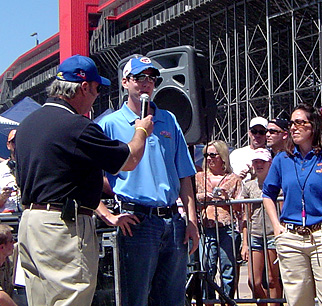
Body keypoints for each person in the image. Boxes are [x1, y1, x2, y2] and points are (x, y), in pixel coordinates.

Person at [15, 54, 153, 306]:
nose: (96, 96)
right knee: (72, 298)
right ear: (84, 87)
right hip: (63, 226)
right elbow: (130, 160)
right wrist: (141, 130)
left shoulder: (27, 125)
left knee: (41, 300)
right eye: (97, 89)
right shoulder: (76, 125)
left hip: (31, 222)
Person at [98, 56, 199, 306]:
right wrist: (109, 209)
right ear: (125, 82)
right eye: (139, 78)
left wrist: (192, 220)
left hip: (173, 221)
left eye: (151, 78)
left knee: (173, 299)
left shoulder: (168, 119)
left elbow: (184, 173)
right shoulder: (109, 124)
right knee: (136, 298)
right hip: (137, 222)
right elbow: (89, 174)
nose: (146, 84)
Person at [262, 103, 322, 306]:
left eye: (300, 122)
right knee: (298, 301)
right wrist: (277, 228)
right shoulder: (282, 159)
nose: (293, 128)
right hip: (291, 238)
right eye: (291, 123)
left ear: (313, 126)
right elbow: (267, 194)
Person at [195, 140, 242, 303]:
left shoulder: (234, 179)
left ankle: (226, 301)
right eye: (206, 155)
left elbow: (241, 207)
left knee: (228, 269)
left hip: (228, 229)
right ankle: (209, 301)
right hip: (206, 228)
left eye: (213, 155)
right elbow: (189, 199)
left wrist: (227, 199)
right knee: (207, 268)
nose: (209, 158)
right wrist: (202, 198)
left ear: (222, 157)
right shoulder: (198, 177)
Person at [240, 148, 282, 306]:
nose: (258, 165)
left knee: (272, 279)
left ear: (270, 163)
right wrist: (245, 243)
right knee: (253, 281)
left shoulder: (280, 184)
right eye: (255, 162)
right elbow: (245, 216)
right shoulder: (249, 186)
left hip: (273, 235)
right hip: (255, 235)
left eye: (262, 161)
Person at [230, 117, 268, 181]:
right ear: (249, 132)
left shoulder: (271, 155)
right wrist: (237, 179)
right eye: (254, 131)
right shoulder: (236, 154)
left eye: (261, 132)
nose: (257, 135)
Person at [0, 130, 20, 213]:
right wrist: (3, 197)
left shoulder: (31, 167)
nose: (17, 145)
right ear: (8, 145)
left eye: (19, 141)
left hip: (25, 215)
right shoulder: (2, 168)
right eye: (14, 142)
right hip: (5, 217)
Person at [0, 224, 17, 306]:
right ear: (2, 247)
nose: (14, 243)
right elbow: (1, 297)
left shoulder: (8, 259)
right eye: (11, 240)